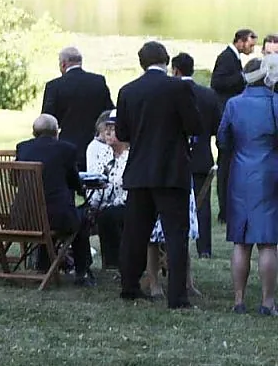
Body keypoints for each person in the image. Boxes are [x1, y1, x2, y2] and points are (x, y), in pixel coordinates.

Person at [115, 41, 200, 310]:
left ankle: (129, 286)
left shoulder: (128, 91)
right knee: (176, 234)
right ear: (166, 60)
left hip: (139, 169)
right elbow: (194, 124)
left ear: (141, 63)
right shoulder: (179, 87)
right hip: (171, 170)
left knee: (135, 232)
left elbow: (122, 134)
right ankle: (177, 296)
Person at [218, 55, 278, 315]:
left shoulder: (233, 104)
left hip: (240, 173)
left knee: (240, 242)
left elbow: (222, 139)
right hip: (269, 173)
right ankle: (267, 302)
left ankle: (238, 300)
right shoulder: (276, 103)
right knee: (268, 242)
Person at [14, 114, 92, 285]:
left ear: (34, 132)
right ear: (56, 131)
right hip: (54, 219)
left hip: (22, 218)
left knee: (52, 212)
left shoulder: (22, 147)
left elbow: (14, 180)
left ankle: (44, 264)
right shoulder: (66, 149)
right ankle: (81, 272)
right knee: (82, 218)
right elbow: (74, 183)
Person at [170, 53, 221, 259]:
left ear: (175, 70)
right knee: (203, 205)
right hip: (201, 156)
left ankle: (175, 245)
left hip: (175, 157)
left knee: (173, 204)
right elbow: (217, 126)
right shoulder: (209, 95)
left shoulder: (170, 93)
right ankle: (205, 249)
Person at [212, 29, 259, 223]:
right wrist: (243, 79)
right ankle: (225, 209)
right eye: (250, 44)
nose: (252, 48)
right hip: (226, 116)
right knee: (225, 166)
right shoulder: (226, 57)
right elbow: (217, 83)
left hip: (231, 114)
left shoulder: (233, 56)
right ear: (240, 41)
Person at [40, 46, 114, 152]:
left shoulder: (54, 86)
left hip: (66, 145)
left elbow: (47, 121)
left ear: (63, 64)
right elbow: (108, 113)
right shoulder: (98, 81)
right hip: (95, 144)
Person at [87, 112, 128, 271]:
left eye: (113, 129)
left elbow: (129, 190)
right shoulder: (104, 153)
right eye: (107, 128)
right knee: (80, 215)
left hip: (126, 204)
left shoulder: (130, 156)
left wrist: (108, 205)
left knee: (109, 215)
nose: (108, 133)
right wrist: (93, 204)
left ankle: (115, 264)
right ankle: (81, 266)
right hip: (104, 203)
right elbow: (97, 181)